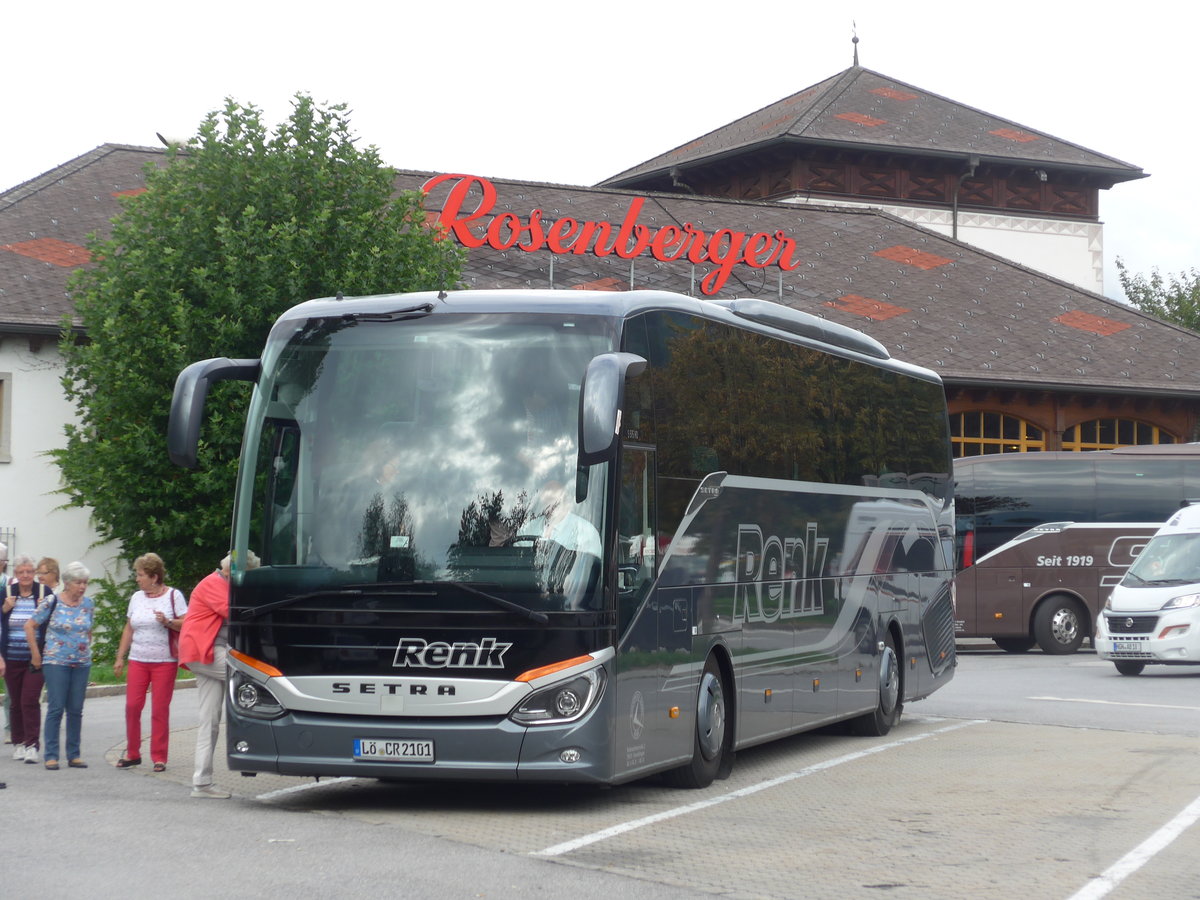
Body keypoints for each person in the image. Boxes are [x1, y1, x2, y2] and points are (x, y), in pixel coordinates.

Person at [177, 549, 259, 798]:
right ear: (236, 571)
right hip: (206, 652)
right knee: (254, 676)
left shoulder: (219, 582)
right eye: (249, 574)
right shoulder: (214, 584)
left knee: (209, 720)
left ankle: (202, 783)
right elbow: (236, 613)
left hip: (206, 653)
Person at [113, 552, 187, 772]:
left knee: (159, 709)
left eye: (141, 574)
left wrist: (168, 621)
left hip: (164, 661)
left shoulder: (173, 595)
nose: (137, 579)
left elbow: (187, 623)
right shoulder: (136, 597)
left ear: (154, 577)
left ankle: (159, 756)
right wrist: (120, 657)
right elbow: (129, 627)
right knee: (132, 706)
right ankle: (133, 753)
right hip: (138, 659)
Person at [25, 562, 94, 770]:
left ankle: (74, 754)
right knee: (56, 708)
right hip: (56, 661)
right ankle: (51, 755)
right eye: (77, 582)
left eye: (84, 583)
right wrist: (36, 655)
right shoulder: (52, 601)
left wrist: (85, 648)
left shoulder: (88, 603)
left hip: (81, 662)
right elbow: (30, 625)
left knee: (76, 709)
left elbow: (88, 629)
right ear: (67, 583)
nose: (81, 587)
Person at [1, 555, 55, 764]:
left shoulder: (44, 593)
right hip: (11, 657)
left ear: (34, 574)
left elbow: (54, 620)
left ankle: (32, 744)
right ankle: (19, 743)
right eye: (21, 572)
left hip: (36, 658)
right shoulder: (6, 594)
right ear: (15, 574)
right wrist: (4, 608)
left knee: (29, 700)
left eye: (29, 572)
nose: (25, 576)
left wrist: (45, 609)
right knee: (15, 702)